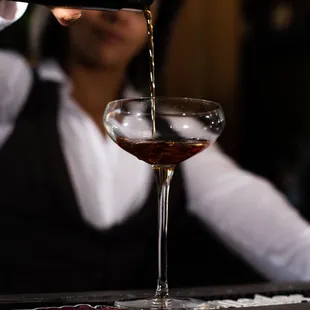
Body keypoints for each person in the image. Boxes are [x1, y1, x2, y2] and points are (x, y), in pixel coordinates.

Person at [0, 0, 310, 295]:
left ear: (156, 20)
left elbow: (270, 227)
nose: (118, 14)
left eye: (140, 6)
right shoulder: (13, 87)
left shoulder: (171, 132)